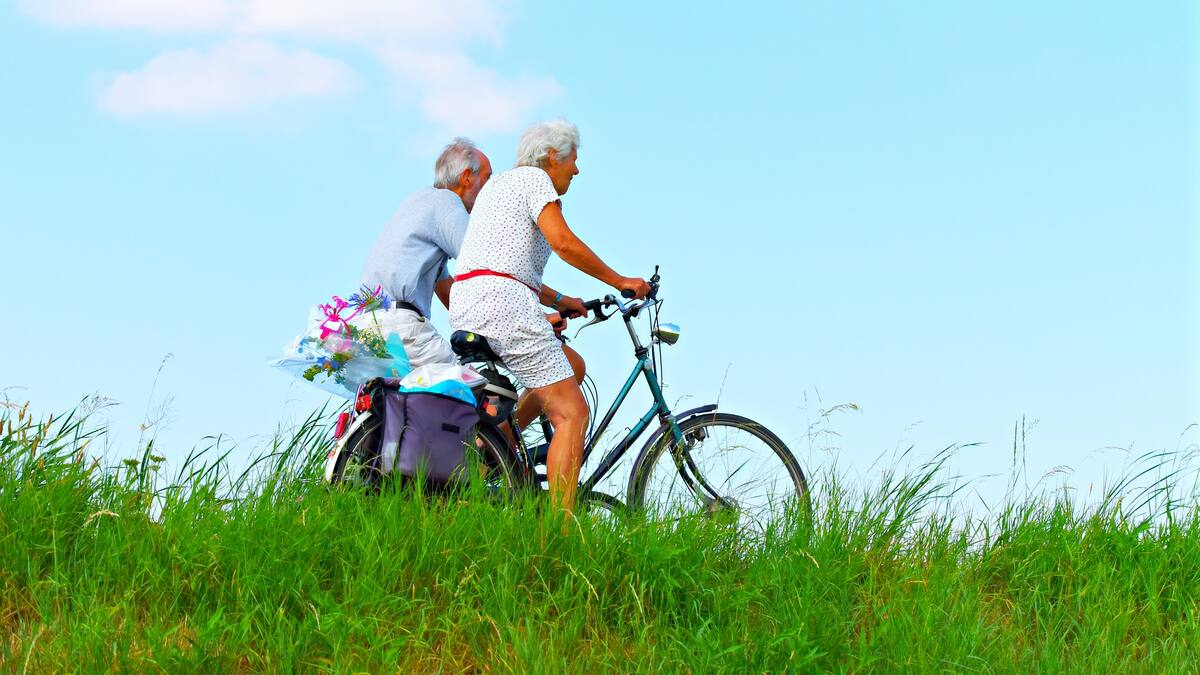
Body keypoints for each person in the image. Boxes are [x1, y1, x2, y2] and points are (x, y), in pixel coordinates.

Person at [449, 120, 650, 514]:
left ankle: (499, 445)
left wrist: (561, 300)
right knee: (572, 413)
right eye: (573, 160)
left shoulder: (499, 186)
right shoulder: (535, 180)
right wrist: (620, 279)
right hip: (503, 304)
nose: (576, 170)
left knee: (571, 365)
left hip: (472, 300)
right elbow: (563, 242)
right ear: (553, 156)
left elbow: (502, 262)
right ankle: (558, 535)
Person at [356, 138, 492, 370]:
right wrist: (529, 319)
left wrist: (488, 326)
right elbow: (485, 264)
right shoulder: (447, 202)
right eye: (488, 179)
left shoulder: (419, 201)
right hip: (401, 327)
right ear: (467, 176)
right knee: (474, 390)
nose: (490, 189)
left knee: (404, 402)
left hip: (368, 326)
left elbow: (445, 287)